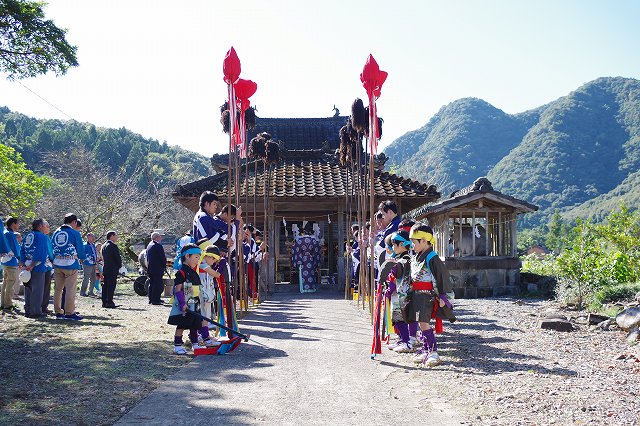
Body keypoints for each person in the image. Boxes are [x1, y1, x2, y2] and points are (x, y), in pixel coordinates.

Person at [408, 223, 456, 366]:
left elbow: (443, 277)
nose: (412, 245)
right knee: (420, 323)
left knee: (424, 323)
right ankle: (425, 350)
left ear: (423, 240)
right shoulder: (418, 256)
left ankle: (433, 352)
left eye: (414, 242)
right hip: (417, 294)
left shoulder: (432, 258)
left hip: (427, 295)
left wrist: (444, 296)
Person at [168, 243, 206, 355]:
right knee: (182, 324)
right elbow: (178, 289)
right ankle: (177, 345)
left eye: (199, 257)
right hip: (185, 303)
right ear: (187, 256)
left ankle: (195, 344)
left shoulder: (194, 272)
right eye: (196, 257)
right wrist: (182, 303)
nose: (198, 260)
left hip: (195, 303)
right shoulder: (181, 272)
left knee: (195, 324)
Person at [52, 213, 86, 320]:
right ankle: (69, 312)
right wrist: (81, 257)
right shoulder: (74, 233)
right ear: (74, 222)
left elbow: (51, 246)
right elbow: (80, 249)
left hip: (57, 262)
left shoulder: (56, 232)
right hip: (70, 263)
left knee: (58, 289)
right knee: (70, 289)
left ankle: (58, 312)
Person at [385, 230, 414, 353]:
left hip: (400, 294)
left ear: (401, 245)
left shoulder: (403, 260)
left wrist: (389, 290)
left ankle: (406, 340)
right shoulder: (404, 259)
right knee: (398, 318)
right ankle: (403, 339)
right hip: (402, 293)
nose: (392, 248)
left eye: (394, 245)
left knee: (399, 318)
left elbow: (395, 278)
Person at [20, 219, 50, 318]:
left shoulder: (28, 235)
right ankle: (36, 311)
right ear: (40, 226)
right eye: (45, 225)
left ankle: (27, 310)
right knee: (37, 290)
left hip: (27, 265)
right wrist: (32, 265)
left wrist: (25, 264)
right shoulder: (41, 236)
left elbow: (22, 250)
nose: (46, 227)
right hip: (37, 267)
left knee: (28, 288)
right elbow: (41, 252)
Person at [291, 223, 321, 293]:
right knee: (311, 274)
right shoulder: (314, 241)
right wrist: (315, 260)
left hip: (303, 260)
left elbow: (294, 249)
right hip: (311, 259)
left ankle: (304, 289)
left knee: (303, 274)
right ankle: (312, 289)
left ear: (303, 232)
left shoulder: (299, 241)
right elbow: (317, 250)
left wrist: (299, 260)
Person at [2, 217, 21, 311]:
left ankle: (3, 303)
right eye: (17, 223)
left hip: (4, 261)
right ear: (13, 224)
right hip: (11, 261)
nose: (18, 226)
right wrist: (20, 259)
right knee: (10, 283)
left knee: (5, 283)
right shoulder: (11, 234)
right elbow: (16, 249)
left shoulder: (4, 233)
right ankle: (8, 304)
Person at [101, 230, 122, 308]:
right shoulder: (113, 246)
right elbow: (117, 257)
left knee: (105, 285)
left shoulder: (104, 246)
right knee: (111, 286)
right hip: (112, 269)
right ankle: (109, 302)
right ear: (111, 236)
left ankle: (104, 301)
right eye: (115, 235)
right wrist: (119, 265)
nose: (117, 237)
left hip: (106, 268)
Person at [147, 230, 167, 305]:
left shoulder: (149, 245)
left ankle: (151, 299)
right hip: (157, 268)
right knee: (157, 284)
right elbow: (162, 257)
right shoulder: (158, 245)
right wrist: (164, 266)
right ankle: (156, 300)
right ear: (156, 237)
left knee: (152, 284)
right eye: (160, 236)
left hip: (151, 268)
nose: (161, 238)